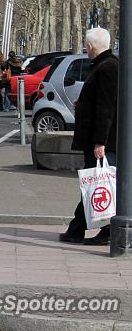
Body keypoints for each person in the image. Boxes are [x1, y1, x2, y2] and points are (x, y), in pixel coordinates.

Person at [60, 27, 118, 246]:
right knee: (96, 183)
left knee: (98, 184)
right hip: (103, 138)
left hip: (104, 140)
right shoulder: (107, 65)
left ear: (90, 46)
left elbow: (106, 107)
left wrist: (100, 142)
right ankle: (78, 230)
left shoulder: (107, 68)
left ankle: (98, 230)